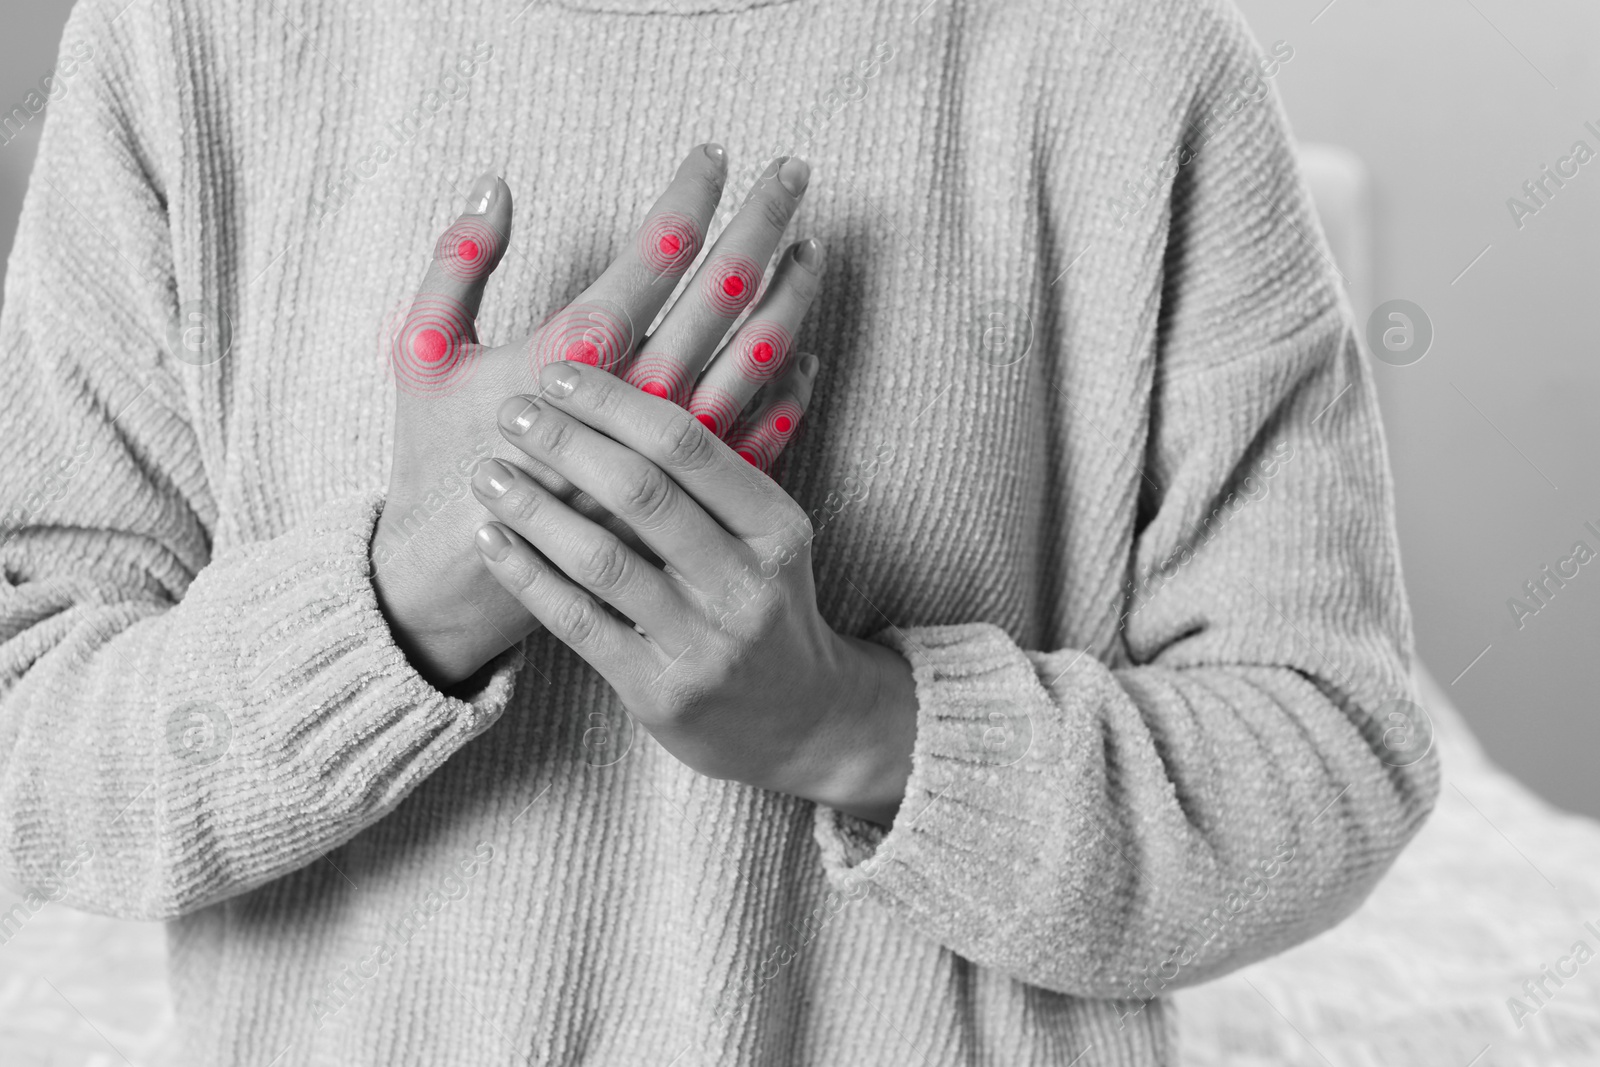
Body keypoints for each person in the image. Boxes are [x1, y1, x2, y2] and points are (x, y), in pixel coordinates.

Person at [0, 0, 1438, 1062]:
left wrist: (854, 727)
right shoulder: (189, 38)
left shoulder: (1137, 62)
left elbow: (1332, 759)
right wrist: (404, 600)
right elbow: (29, 741)